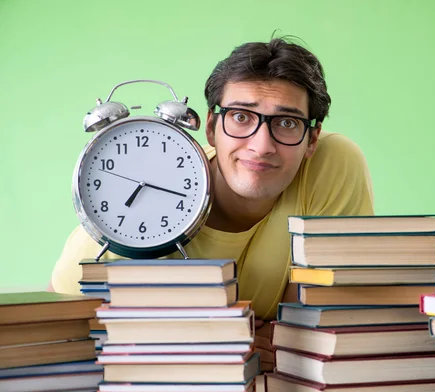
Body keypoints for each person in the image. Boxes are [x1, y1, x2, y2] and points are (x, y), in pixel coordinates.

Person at [50, 36, 375, 371]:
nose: (261, 146)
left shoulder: (331, 162)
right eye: (241, 117)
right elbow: (55, 326)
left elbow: (305, 332)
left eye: (287, 122)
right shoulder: (129, 222)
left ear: (312, 139)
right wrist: (204, 341)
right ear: (210, 128)